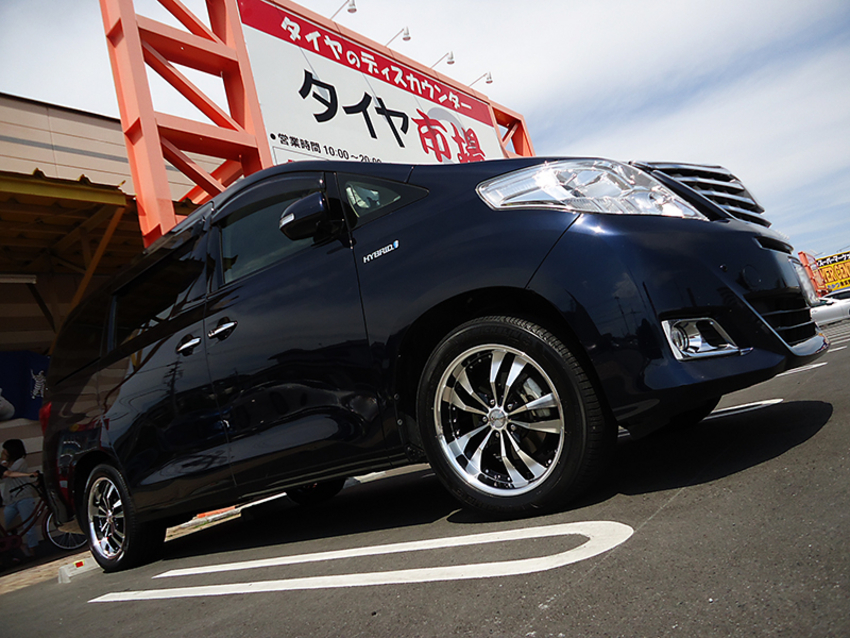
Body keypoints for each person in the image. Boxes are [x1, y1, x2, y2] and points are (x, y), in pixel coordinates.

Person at [1, 439, 40, 559]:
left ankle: (33, 552)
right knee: (3, 526)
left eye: (5, 450)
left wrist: (3, 462)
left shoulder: (20, 462)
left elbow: (10, 473)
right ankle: (20, 546)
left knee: (29, 525)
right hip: (11, 499)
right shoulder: (9, 463)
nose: (3, 452)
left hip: (23, 497)